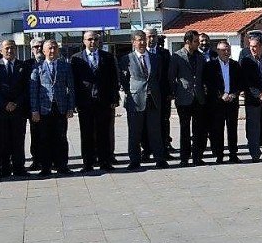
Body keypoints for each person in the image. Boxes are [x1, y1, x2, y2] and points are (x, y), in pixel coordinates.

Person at [70, 31, 120, 172]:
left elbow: (113, 79)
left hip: (103, 101)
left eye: (95, 39)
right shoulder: (76, 58)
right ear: (84, 41)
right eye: (90, 39)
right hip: (85, 102)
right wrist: (74, 103)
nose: (93, 42)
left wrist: (114, 98)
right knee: (86, 134)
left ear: (99, 41)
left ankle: (105, 162)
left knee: (104, 133)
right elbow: (73, 82)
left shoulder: (108, 57)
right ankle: (88, 163)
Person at [119, 31, 167, 170]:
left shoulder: (155, 58)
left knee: (155, 131)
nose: (142, 43)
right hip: (135, 100)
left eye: (144, 40)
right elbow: (124, 79)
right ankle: (135, 160)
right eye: (139, 40)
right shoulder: (126, 59)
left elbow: (158, 77)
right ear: (133, 42)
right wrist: (133, 91)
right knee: (135, 132)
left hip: (153, 98)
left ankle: (160, 159)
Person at [29, 39, 75, 176]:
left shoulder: (65, 66)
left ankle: (62, 166)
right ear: (44, 51)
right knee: (44, 138)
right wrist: (34, 110)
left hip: (60, 108)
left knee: (61, 138)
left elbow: (71, 88)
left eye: (55, 48)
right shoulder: (37, 67)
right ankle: (45, 167)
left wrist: (71, 107)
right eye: (49, 48)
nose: (52, 51)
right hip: (44, 108)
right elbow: (33, 90)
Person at [0, 40, 30, 177]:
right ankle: (3, 169)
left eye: (12, 48)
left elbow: (26, 88)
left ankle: (19, 168)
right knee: (1, 140)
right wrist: (4, 104)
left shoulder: (22, 66)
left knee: (18, 140)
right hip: (0, 111)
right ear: (0, 50)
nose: (10, 51)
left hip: (18, 110)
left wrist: (16, 103)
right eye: (7, 48)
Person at [170, 30, 208, 165]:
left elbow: (203, 76)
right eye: (196, 41)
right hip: (183, 98)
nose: (198, 43)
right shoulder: (176, 56)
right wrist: (175, 93)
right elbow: (171, 77)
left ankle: (197, 157)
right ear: (188, 42)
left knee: (198, 129)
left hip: (198, 98)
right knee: (184, 129)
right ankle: (184, 158)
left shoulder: (200, 57)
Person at [204, 40, 242, 163]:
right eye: (223, 50)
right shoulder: (211, 66)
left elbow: (240, 83)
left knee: (232, 129)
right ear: (218, 51)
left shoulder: (235, 65)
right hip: (217, 103)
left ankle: (233, 154)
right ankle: (219, 155)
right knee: (217, 129)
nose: (226, 52)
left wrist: (234, 94)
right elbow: (209, 84)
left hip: (232, 102)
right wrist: (221, 95)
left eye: (228, 49)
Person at [145, 27, 173, 158]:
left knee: (163, 121)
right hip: (145, 95)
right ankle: (146, 150)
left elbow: (170, 74)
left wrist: (170, 92)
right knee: (145, 123)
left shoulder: (165, 53)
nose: (151, 39)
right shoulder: (139, 54)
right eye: (149, 36)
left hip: (162, 94)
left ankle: (164, 149)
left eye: (154, 36)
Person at [23, 37, 45, 170]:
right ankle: (37, 160)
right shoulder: (26, 65)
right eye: (36, 47)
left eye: (41, 46)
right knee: (35, 135)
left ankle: (52, 160)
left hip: (51, 106)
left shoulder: (54, 62)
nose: (39, 49)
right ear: (31, 50)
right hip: (33, 107)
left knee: (51, 134)